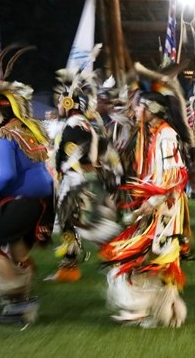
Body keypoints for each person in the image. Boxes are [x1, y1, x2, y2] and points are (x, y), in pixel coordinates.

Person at [99, 64, 193, 328]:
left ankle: (141, 307)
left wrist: (150, 203)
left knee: (144, 256)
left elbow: (174, 176)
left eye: (140, 105)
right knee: (156, 259)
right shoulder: (152, 134)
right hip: (157, 207)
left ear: (151, 111)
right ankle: (166, 309)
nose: (135, 109)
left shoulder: (166, 136)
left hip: (165, 209)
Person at [0, 47, 54, 325]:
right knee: (18, 253)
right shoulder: (25, 128)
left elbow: (5, 176)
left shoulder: (5, 136)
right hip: (41, 202)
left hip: (23, 201)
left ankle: (18, 300)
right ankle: (21, 306)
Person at [46, 64, 123, 282]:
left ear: (70, 102)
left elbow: (75, 160)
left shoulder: (74, 126)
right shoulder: (79, 123)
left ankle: (119, 260)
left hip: (79, 184)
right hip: (80, 182)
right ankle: (69, 269)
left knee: (91, 228)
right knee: (71, 226)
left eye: (61, 100)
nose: (59, 103)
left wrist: (70, 181)